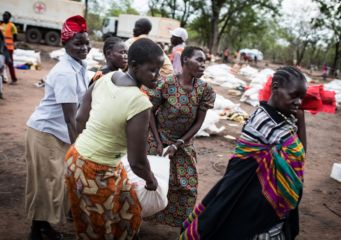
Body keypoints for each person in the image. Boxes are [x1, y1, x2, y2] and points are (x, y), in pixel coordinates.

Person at [180, 66, 308, 240]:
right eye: (293, 95)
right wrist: (300, 122)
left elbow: (297, 158)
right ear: (275, 87)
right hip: (257, 199)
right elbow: (298, 156)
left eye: (302, 97)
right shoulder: (266, 123)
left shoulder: (279, 116)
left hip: (263, 197)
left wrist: (299, 119)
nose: (298, 102)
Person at [65, 38, 164, 239]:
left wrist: (93, 142)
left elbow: (79, 118)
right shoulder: (139, 102)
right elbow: (137, 162)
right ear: (134, 66)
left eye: (159, 70)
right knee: (98, 231)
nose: (158, 76)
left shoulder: (105, 79)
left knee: (129, 212)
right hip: (95, 171)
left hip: (77, 159)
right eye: (152, 70)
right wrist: (152, 181)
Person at [25, 15, 90, 240]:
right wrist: (78, 150)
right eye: (78, 43)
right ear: (65, 44)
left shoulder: (80, 65)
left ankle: (44, 226)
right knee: (46, 183)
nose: (85, 48)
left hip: (57, 132)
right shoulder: (65, 73)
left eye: (86, 42)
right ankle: (37, 230)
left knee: (55, 182)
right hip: (46, 132)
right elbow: (70, 118)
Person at [145, 46, 216, 227]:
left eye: (204, 62)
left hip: (183, 141)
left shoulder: (204, 90)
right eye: (199, 60)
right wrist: (159, 142)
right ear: (185, 60)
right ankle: (145, 217)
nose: (203, 65)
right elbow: (150, 112)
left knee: (187, 186)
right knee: (154, 180)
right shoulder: (166, 83)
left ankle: (181, 226)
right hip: (158, 138)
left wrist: (178, 144)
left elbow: (198, 123)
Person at [0, 11, 18, 84]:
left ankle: (14, 79)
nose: (4, 17)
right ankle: (3, 78)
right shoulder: (1, 24)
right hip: (1, 48)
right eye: (3, 16)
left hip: (9, 48)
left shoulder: (12, 26)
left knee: (10, 64)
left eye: (6, 16)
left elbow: (15, 37)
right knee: (1, 63)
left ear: (9, 17)